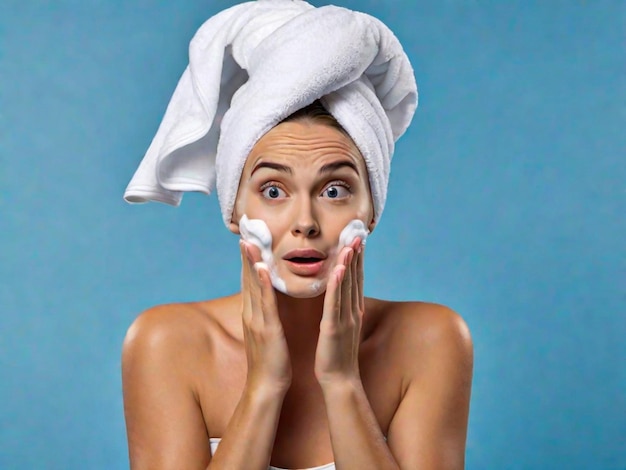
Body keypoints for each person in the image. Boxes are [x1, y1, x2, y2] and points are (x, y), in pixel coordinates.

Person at [121, 2, 473, 469]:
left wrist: (343, 381)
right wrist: (264, 386)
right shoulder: (167, 343)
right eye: (272, 189)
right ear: (234, 209)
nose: (304, 221)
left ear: (371, 211)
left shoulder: (430, 340)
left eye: (334, 189)